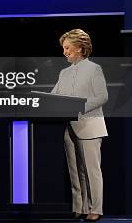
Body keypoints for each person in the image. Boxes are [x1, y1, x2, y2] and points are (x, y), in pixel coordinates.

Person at [51, 29, 108, 222]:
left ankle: (95, 209)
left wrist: (79, 107)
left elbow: (102, 96)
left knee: (91, 170)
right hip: (70, 126)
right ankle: (79, 207)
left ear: (80, 48)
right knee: (75, 171)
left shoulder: (94, 69)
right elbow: (54, 96)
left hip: (90, 126)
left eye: (67, 48)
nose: (64, 52)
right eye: (64, 48)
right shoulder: (64, 72)